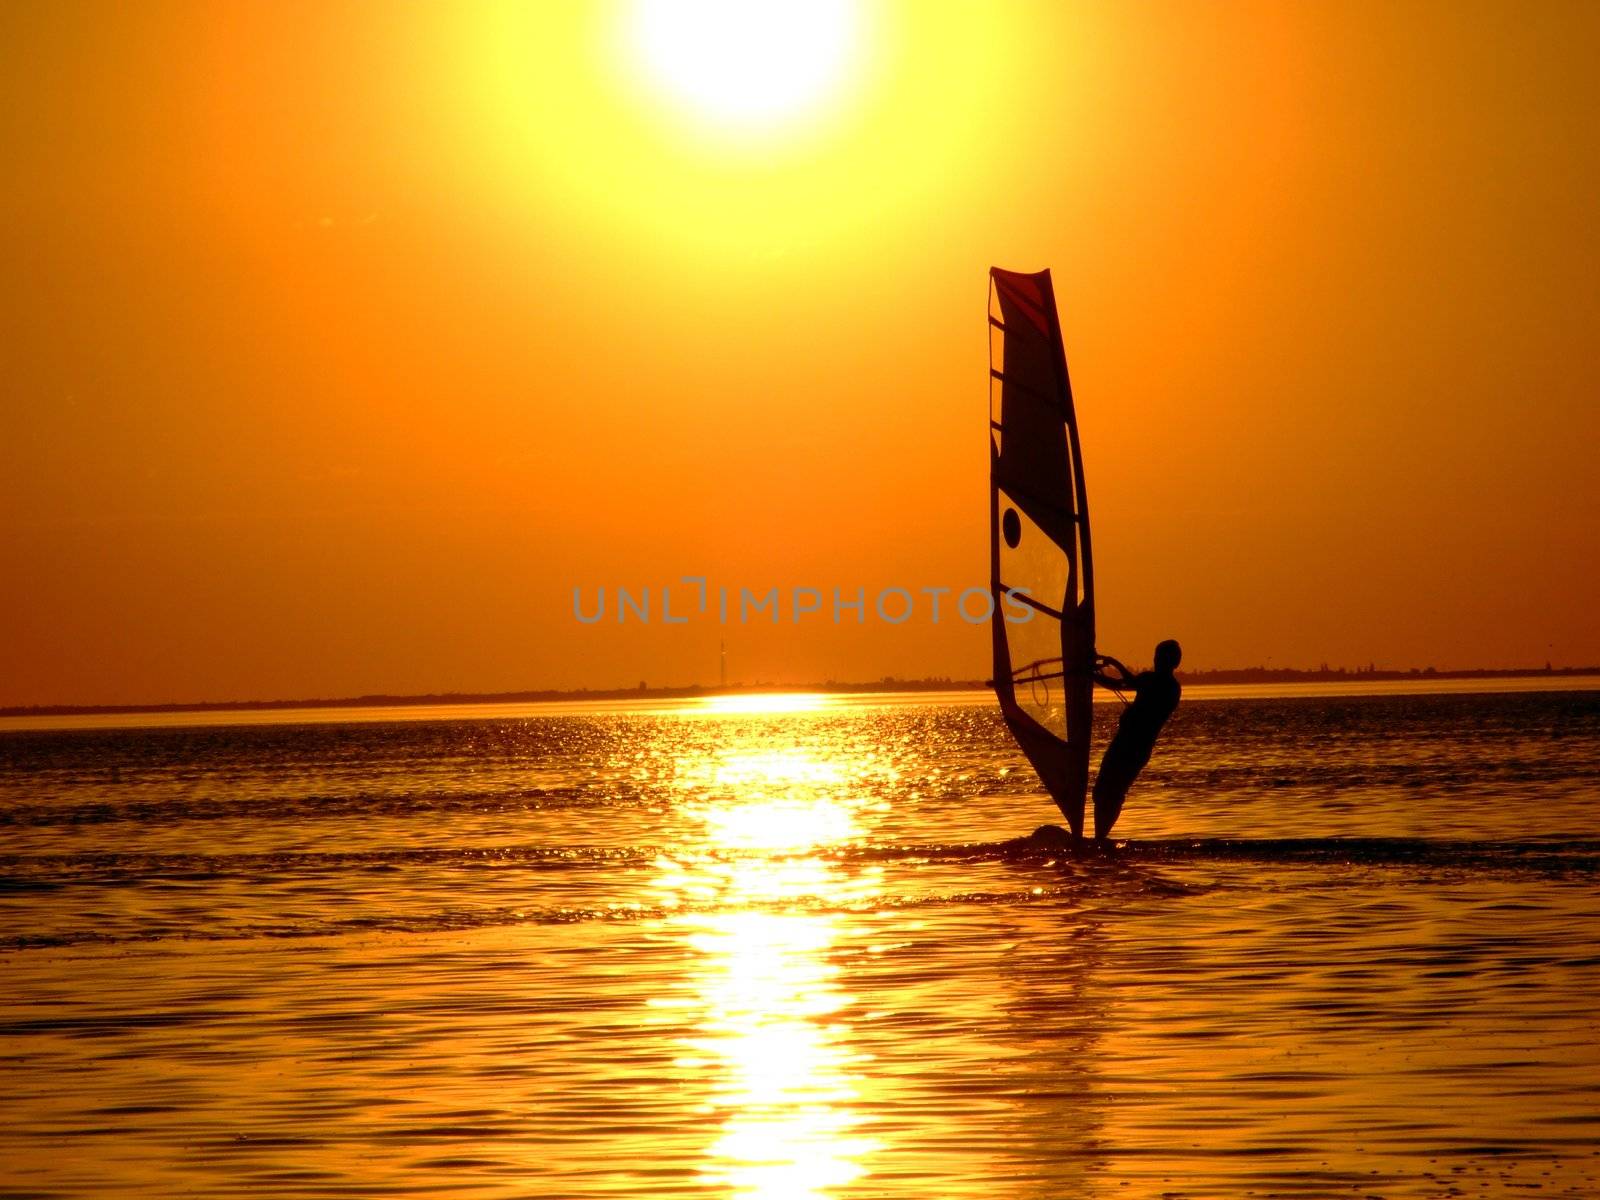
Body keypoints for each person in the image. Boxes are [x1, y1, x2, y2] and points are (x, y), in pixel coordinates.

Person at [1091, 639, 1182, 839]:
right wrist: (1092, 673)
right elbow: (1118, 684)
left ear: (1173, 662)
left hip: (1133, 748)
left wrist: (1113, 663)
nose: (1157, 661)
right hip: (1127, 745)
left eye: (1162, 658)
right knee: (1103, 792)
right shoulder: (1156, 681)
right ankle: (1100, 837)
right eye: (1157, 657)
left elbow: (1130, 682)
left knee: (1111, 792)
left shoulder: (1164, 684)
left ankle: (1100, 838)